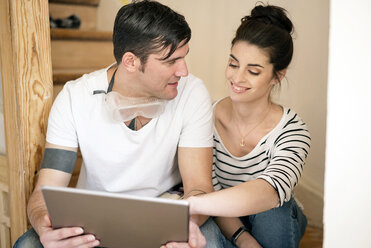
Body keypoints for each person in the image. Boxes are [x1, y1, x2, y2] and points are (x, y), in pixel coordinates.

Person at [14, 1, 218, 247]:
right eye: (170, 61)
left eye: (184, 58)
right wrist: (44, 227)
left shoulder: (192, 92)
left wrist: (187, 223)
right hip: (93, 223)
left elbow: (199, 187)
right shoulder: (74, 97)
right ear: (131, 62)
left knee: (210, 242)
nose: (183, 71)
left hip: (165, 218)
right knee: (27, 244)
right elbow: (44, 191)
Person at [185, 4, 311, 248]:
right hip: (219, 216)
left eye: (252, 71)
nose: (237, 78)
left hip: (272, 214)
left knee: (275, 212)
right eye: (233, 64)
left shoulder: (293, 130)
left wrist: (191, 204)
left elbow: (270, 192)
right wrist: (242, 238)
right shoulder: (203, 117)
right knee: (204, 235)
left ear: (278, 76)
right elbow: (207, 189)